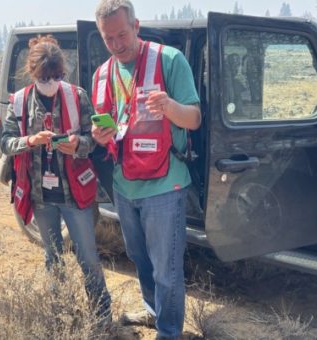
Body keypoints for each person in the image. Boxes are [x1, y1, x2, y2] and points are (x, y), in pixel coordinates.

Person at [91, 1, 201, 339]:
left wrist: (169, 106)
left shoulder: (169, 60)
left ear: (136, 26)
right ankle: (154, 311)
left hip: (164, 186)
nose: (117, 44)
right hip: (125, 186)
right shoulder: (102, 74)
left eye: (122, 34)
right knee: (140, 259)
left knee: (167, 270)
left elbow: (194, 119)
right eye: (109, 39)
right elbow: (104, 128)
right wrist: (100, 134)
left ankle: (169, 332)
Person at [0, 35, 111, 322]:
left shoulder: (77, 96)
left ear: (63, 72)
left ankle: (102, 317)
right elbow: (6, 142)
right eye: (44, 77)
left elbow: (94, 138)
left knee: (88, 258)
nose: (50, 83)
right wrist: (30, 141)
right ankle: (61, 314)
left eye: (56, 77)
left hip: (75, 194)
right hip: (41, 196)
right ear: (32, 73)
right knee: (53, 258)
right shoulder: (20, 100)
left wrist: (78, 144)